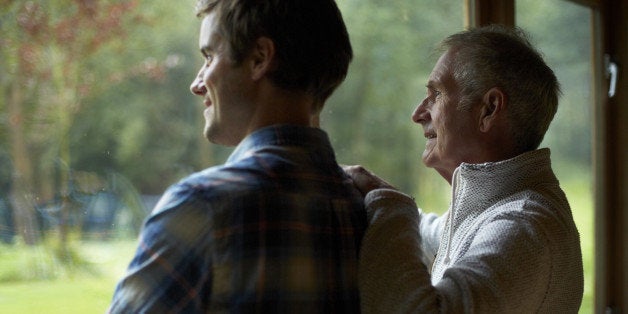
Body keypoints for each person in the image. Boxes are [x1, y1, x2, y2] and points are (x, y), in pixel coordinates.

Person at [108, 0, 366, 312]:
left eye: (209, 56)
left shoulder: (202, 206)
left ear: (259, 58)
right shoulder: (368, 210)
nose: (196, 84)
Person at [345, 25, 584, 313]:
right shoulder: (496, 210)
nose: (418, 113)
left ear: (489, 109)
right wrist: (369, 189)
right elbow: (432, 233)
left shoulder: (523, 225)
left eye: (436, 94)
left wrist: (388, 206)